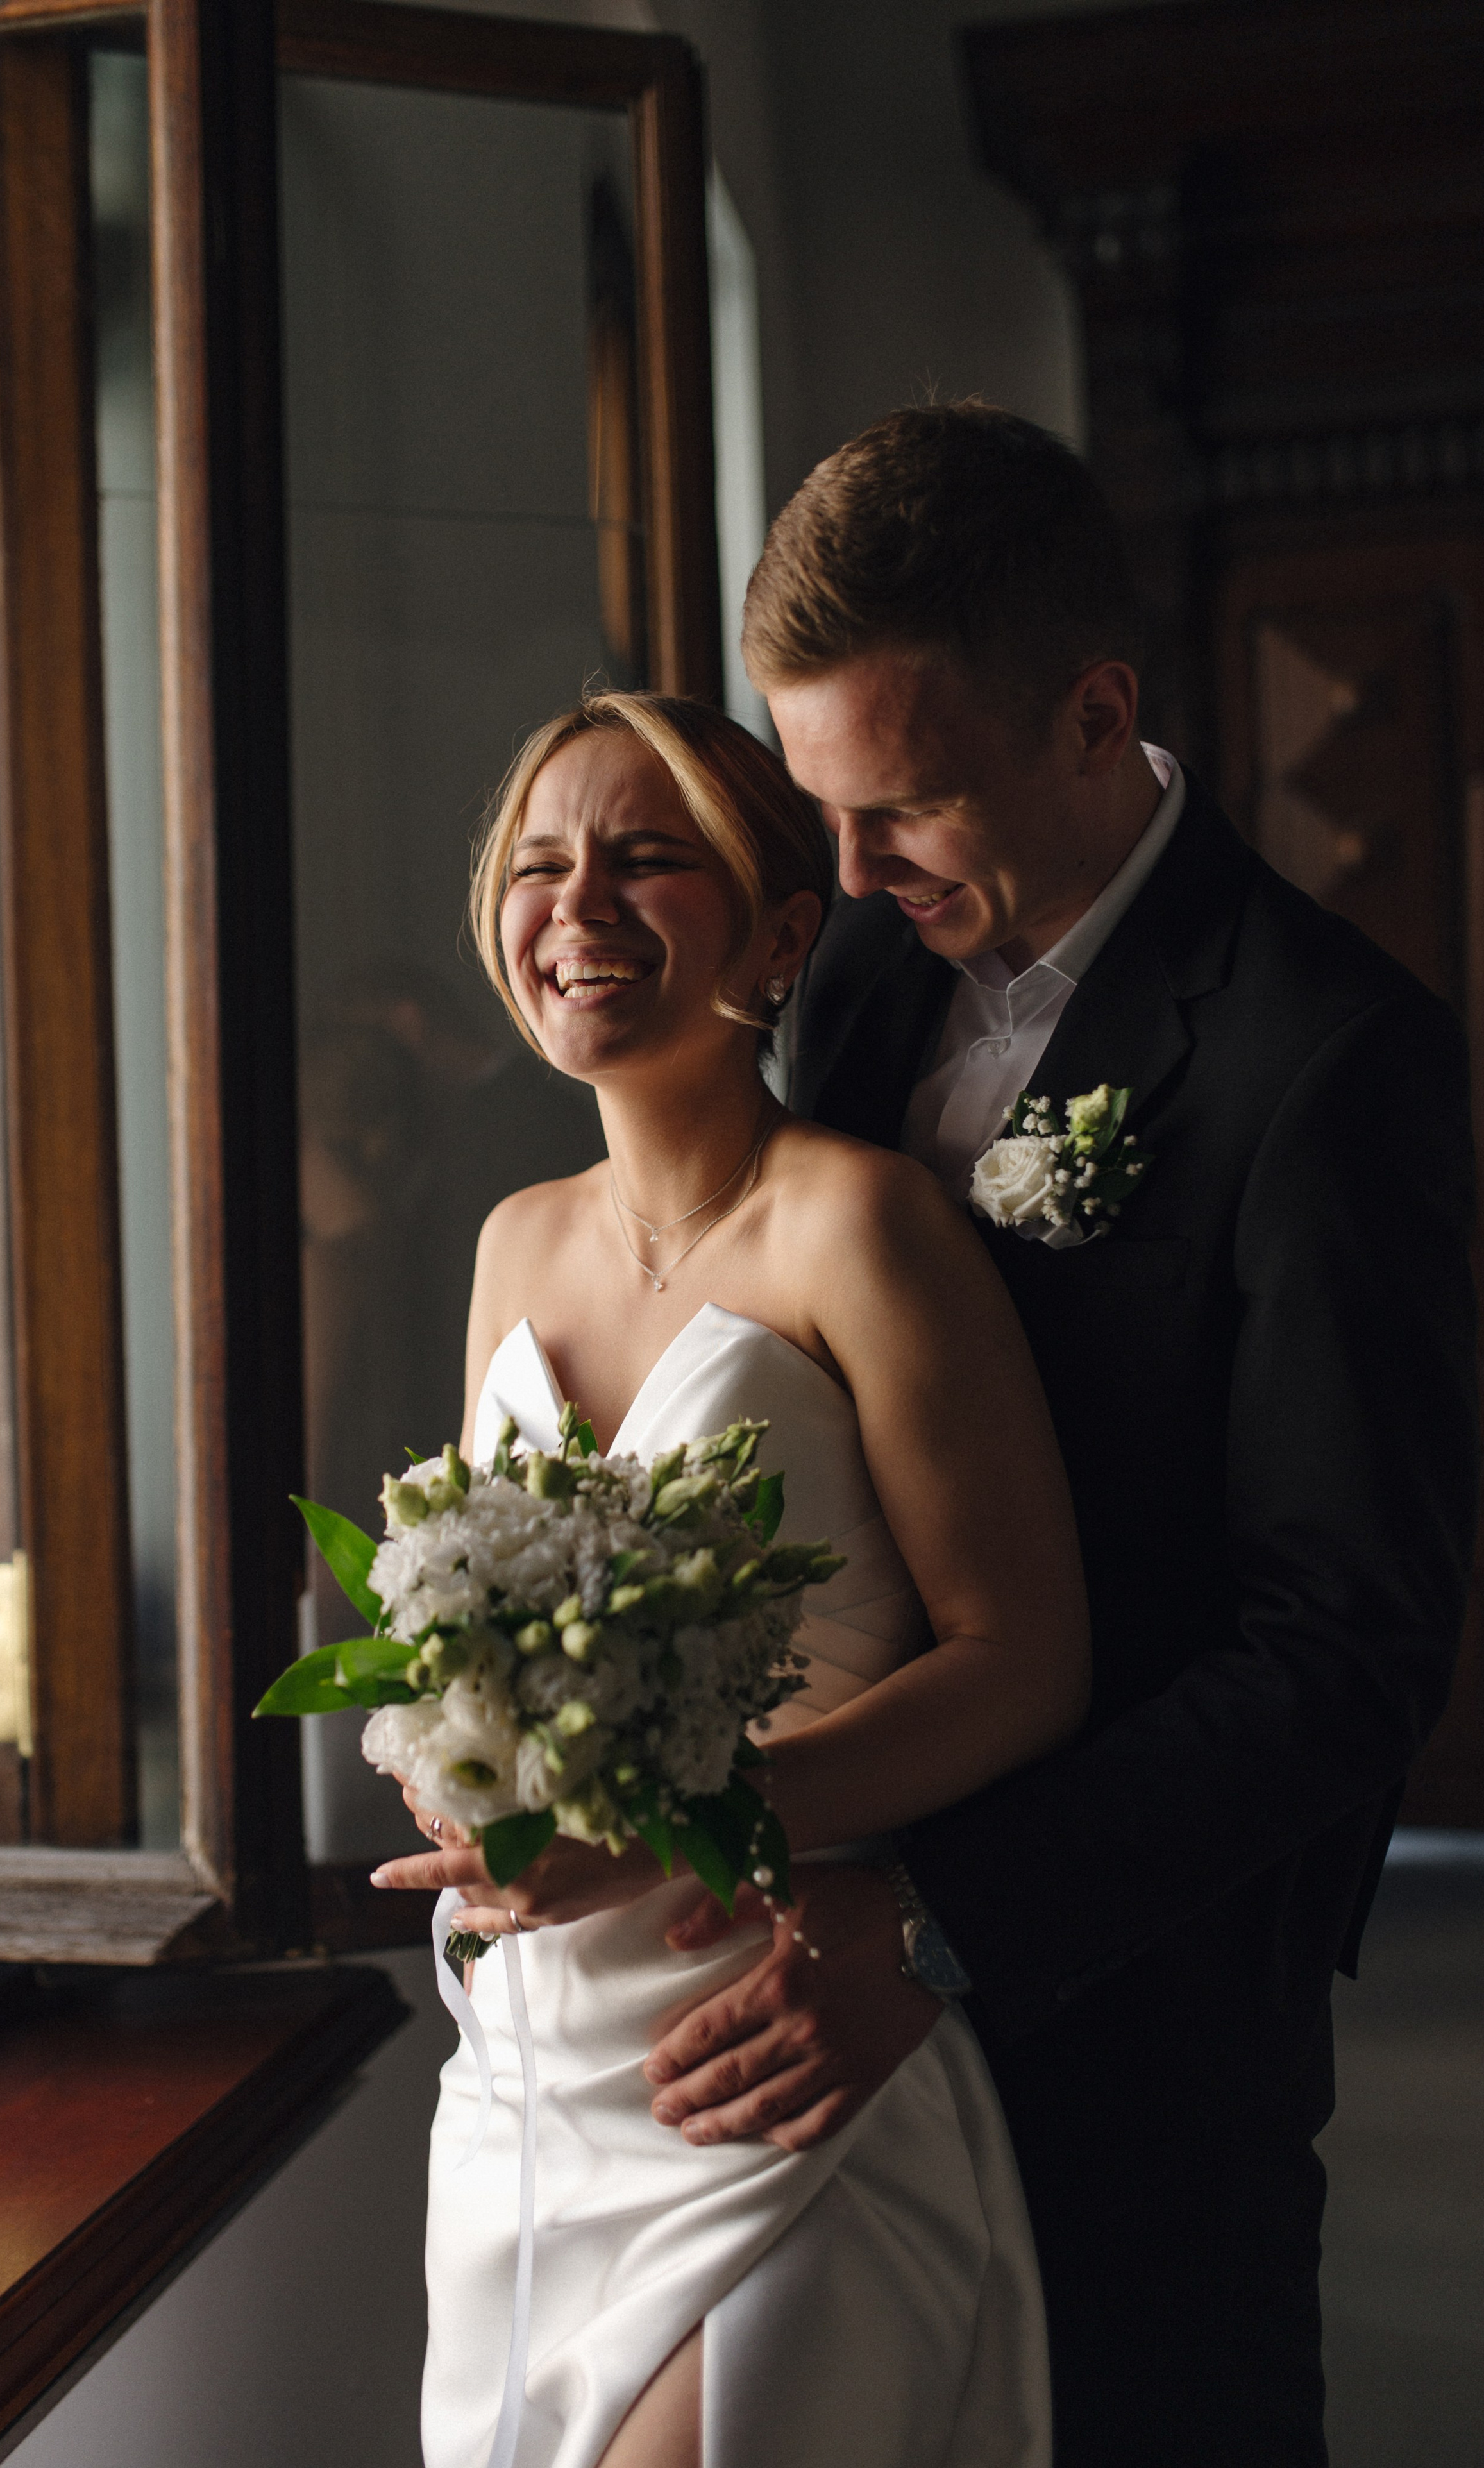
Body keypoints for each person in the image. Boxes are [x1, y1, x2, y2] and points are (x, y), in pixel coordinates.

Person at [628, 403, 1478, 2467]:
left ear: (1097, 715)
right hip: (791, 2001)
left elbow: (1345, 1649)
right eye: (817, 807)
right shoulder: (839, 983)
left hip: (1136, 2018)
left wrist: (941, 1927)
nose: (841, 875)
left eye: (902, 803)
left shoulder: (1331, 1059)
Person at [376, 687, 1092, 2468]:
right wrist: (473, 1783)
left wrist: (712, 1819)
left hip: (782, 2049)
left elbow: (1027, 1658)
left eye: (645, 860)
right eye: (542, 866)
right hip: (533, 2079)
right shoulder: (512, 1243)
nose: (580, 907)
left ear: (782, 932)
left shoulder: (859, 1225)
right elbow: (474, 1637)